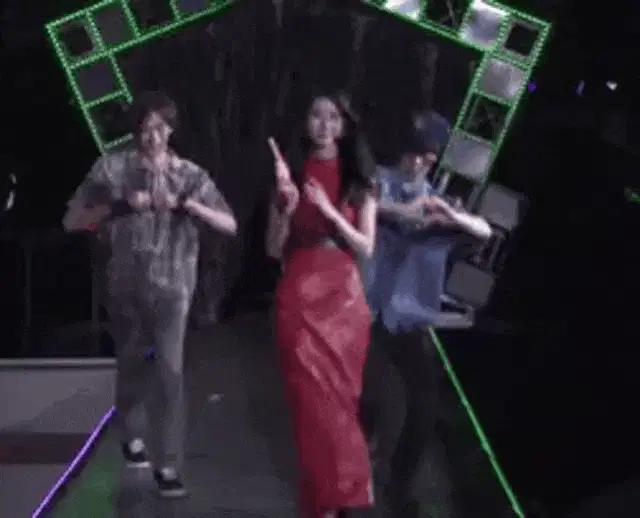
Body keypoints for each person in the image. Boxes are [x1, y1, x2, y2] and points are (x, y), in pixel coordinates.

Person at [62, 91, 237, 498]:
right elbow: (73, 219)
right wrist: (120, 206)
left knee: (171, 371)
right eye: (144, 128)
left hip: (174, 287)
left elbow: (228, 224)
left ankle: (169, 465)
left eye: (159, 128)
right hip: (125, 287)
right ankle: (131, 430)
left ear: (171, 130)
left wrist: (188, 206)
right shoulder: (112, 170)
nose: (152, 136)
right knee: (131, 365)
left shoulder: (190, 175)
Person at [360, 111, 493, 517]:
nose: (416, 162)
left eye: (426, 156)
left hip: (407, 319)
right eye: (412, 153)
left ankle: (399, 484)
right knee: (368, 400)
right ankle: (353, 477)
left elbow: (484, 231)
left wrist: (449, 216)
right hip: (367, 310)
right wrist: (409, 211)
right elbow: (365, 205)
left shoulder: (439, 200)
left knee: (424, 404)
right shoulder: (379, 181)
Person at [266, 90, 378, 518]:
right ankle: (325, 502)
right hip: (299, 289)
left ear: (345, 125)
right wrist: (285, 206)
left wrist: (330, 212)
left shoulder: (360, 180)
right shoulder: (289, 175)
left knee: (341, 398)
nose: (324, 125)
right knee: (308, 399)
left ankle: (338, 499)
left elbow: (366, 246)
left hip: (343, 296)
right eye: (316, 115)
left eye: (333, 117)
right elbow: (272, 249)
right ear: (305, 121)